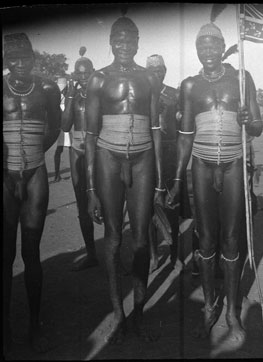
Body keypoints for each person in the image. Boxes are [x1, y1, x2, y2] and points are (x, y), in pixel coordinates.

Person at [166, 22, 262, 342]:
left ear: (222, 47)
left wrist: (250, 119)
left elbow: (259, 125)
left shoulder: (241, 78)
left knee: (232, 240)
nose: (207, 51)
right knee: (205, 239)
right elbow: (184, 137)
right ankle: (209, 305)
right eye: (201, 47)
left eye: (213, 45)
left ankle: (233, 311)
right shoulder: (190, 86)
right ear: (197, 51)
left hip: (234, 163)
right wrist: (178, 178)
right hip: (201, 166)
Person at [84, 15, 163, 344]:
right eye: (119, 38)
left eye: (131, 39)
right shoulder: (98, 79)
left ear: (138, 42)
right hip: (108, 156)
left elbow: (157, 128)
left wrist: (159, 179)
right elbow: (89, 134)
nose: (125, 44)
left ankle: (139, 312)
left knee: (141, 239)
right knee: (114, 237)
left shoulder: (149, 78)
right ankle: (118, 311)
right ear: (111, 42)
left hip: (143, 155)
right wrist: (91, 189)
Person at [3, 33, 61, 353]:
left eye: (25, 57)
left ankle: (35, 323)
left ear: (34, 57)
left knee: (31, 253)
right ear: (6, 61)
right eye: (13, 58)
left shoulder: (48, 88)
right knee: (4, 255)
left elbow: (55, 125)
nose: (20, 64)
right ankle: (6, 325)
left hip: (36, 174)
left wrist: (36, 154)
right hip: (4, 176)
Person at [146, 54, 191, 270]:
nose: (158, 72)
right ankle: (154, 255)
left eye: (161, 69)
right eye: (153, 69)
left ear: (165, 70)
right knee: (149, 208)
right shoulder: (141, 93)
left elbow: (184, 125)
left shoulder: (174, 94)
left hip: (171, 153)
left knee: (172, 205)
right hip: (148, 155)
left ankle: (175, 256)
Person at [61, 47, 99, 271]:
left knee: (107, 199)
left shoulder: (101, 93)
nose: (83, 77)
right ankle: (91, 253)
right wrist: (71, 95)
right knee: (81, 203)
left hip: (98, 148)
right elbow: (65, 125)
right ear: (74, 75)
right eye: (79, 74)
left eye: (86, 73)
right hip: (76, 148)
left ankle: (115, 251)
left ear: (93, 72)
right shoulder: (72, 96)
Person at [53, 76, 71, 182]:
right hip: (65, 126)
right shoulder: (64, 95)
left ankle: (56, 174)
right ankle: (57, 174)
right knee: (70, 150)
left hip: (63, 126)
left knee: (60, 150)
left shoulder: (57, 95)